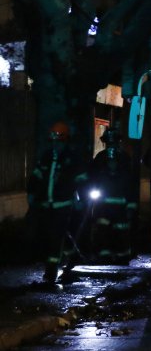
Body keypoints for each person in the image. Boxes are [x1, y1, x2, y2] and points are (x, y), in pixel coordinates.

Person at [26, 121, 87, 283]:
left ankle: (50, 272)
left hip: (63, 204)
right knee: (55, 235)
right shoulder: (47, 156)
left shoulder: (72, 158)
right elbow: (36, 177)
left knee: (55, 237)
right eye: (53, 141)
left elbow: (81, 181)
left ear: (65, 140)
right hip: (47, 204)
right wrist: (32, 194)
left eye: (58, 141)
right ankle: (74, 255)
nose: (55, 144)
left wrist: (82, 199)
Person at [86, 126, 137, 264]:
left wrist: (131, 206)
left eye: (113, 142)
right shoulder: (100, 158)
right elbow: (92, 178)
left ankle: (122, 259)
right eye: (108, 143)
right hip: (102, 206)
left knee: (121, 233)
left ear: (118, 142)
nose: (111, 146)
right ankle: (104, 258)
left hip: (120, 206)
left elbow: (130, 184)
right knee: (102, 232)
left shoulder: (125, 159)